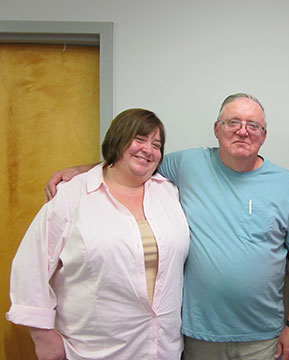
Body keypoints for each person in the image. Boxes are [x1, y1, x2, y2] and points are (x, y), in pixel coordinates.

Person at [45, 93, 289, 360]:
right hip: (198, 335)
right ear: (217, 129)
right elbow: (135, 163)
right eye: (233, 122)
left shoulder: (284, 184)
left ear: (263, 135)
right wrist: (84, 170)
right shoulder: (186, 165)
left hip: (264, 337)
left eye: (253, 125)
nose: (243, 131)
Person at [7, 109, 190, 360]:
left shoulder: (169, 192)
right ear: (118, 139)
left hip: (161, 347)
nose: (148, 149)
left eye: (156, 144)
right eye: (139, 139)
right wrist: (43, 336)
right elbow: (30, 267)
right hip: (93, 349)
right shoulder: (73, 195)